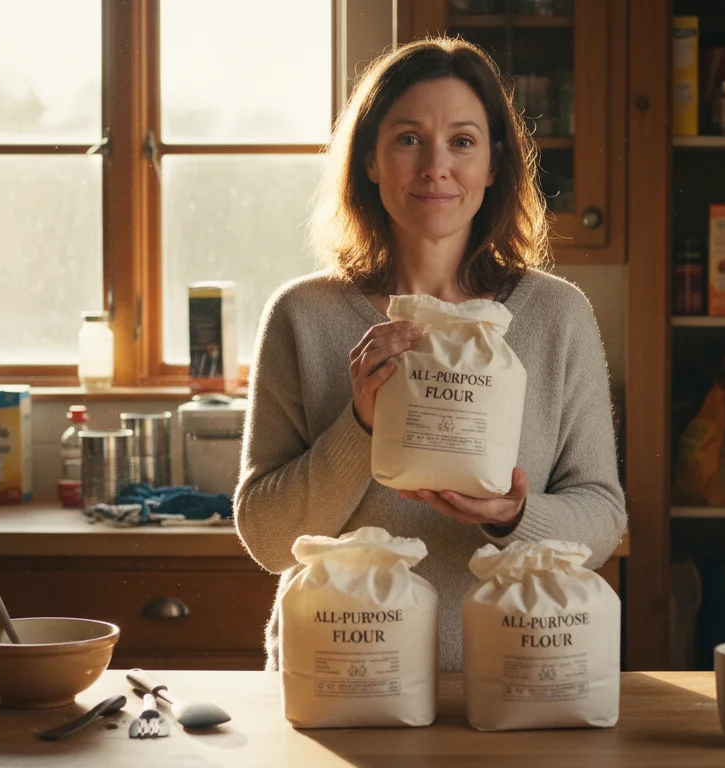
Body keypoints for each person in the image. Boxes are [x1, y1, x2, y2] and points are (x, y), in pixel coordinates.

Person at [234, 37, 627, 672]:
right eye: (409, 139)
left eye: (463, 142)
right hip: (338, 681)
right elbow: (268, 538)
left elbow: (602, 518)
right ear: (370, 160)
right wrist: (362, 426)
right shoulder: (302, 315)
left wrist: (514, 515)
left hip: (510, 679)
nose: (435, 166)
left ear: (494, 165)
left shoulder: (558, 315)